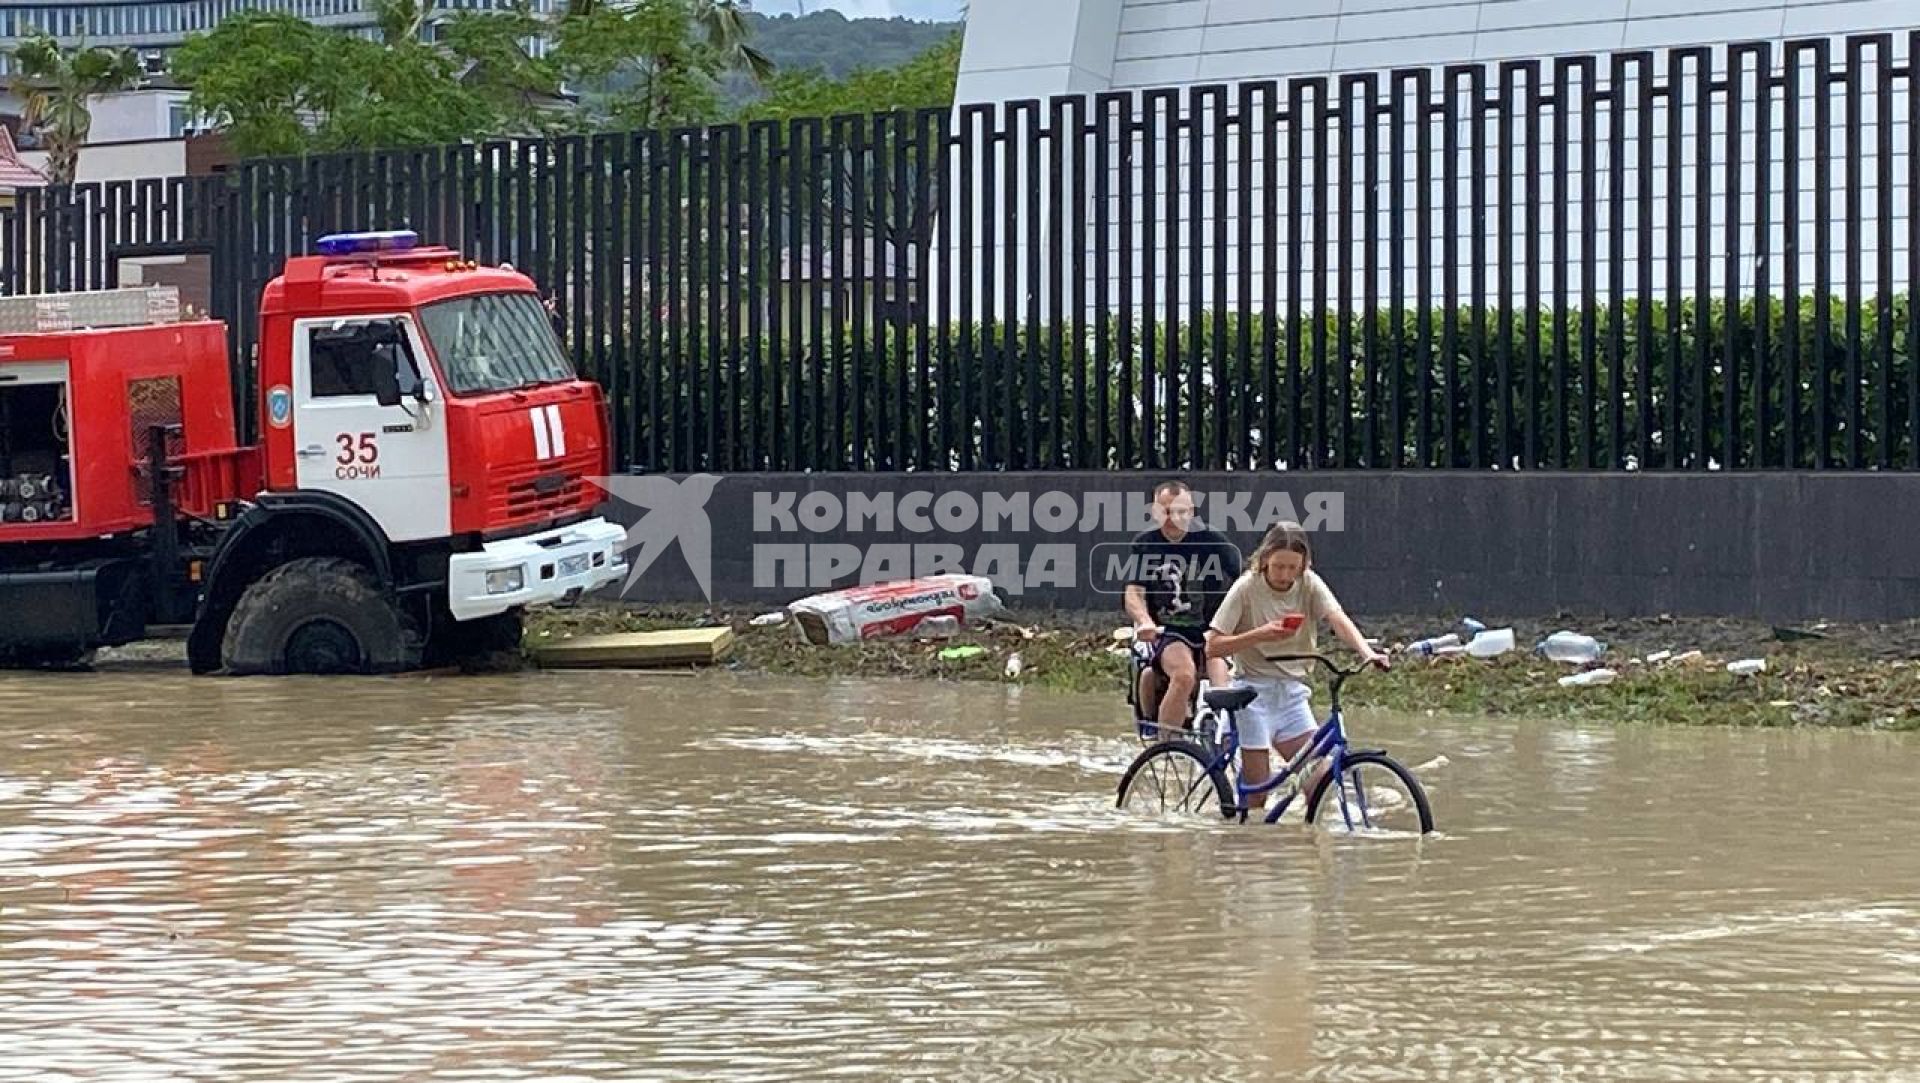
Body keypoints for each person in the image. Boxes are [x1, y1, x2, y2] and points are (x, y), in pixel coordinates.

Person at [1206, 520, 1388, 809]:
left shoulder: (1309, 583)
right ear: (1264, 560)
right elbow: (1213, 646)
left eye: (1294, 568)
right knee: (1257, 795)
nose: (1286, 575)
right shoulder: (1246, 588)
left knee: (1317, 783)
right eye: (1279, 567)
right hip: (1252, 695)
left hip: (1291, 695)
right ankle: (1243, 847)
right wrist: (1262, 634)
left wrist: (1367, 653)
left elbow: (1337, 618)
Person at [1124, 480, 1241, 735]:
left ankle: (1228, 736)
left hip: (1211, 628)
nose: (1173, 518)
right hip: (1167, 630)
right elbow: (1134, 591)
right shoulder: (1145, 543)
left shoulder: (1214, 542)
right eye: (1166, 511)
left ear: (1192, 512)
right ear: (1155, 512)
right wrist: (1144, 620)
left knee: (1224, 682)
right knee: (1185, 675)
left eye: (1180, 511)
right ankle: (1164, 749)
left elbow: (1244, 584)